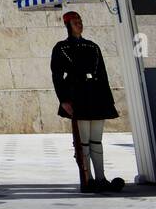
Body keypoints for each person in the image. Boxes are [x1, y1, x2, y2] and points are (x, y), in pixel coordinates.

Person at [50, 11, 123, 193]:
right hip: (78, 95)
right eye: (75, 22)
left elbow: (103, 75)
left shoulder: (93, 47)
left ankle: (101, 178)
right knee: (83, 142)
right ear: (68, 25)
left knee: (96, 140)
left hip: (96, 94)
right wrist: (64, 99)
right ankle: (87, 178)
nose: (79, 24)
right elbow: (57, 76)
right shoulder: (61, 48)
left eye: (80, 21)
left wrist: (108, 100)